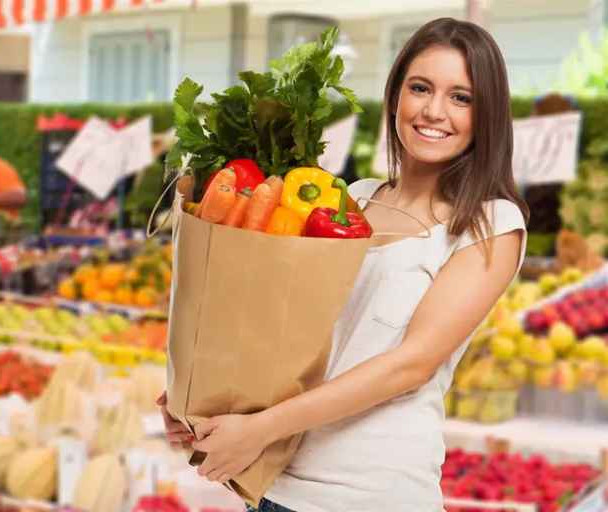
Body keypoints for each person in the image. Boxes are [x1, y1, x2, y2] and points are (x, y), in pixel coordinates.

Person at [159, 17, 530, 511]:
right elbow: (281, 332)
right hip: (274, 484)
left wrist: (259, 428)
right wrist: (199, 397)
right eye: (420, 88)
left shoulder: (490, 224)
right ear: (396, 95)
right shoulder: (351, 199)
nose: (434, 111)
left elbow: (410, 366)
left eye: (461, 97)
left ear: (486, 114)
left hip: (372, 494)